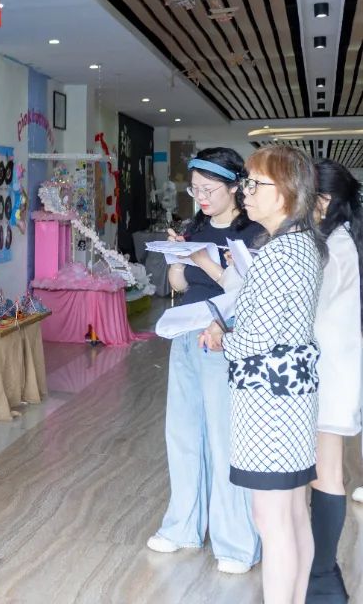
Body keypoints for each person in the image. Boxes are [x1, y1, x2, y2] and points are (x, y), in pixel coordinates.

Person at [200, 145, 325, 604]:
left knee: (272, 519)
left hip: (268, 400)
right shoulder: (303, 244)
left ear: (287, 192)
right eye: (246, 183)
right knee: (292, 514)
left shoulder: (279, 253)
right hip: (291, 395)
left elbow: (256, 339)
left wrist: (222, 339)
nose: (245, 193)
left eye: (255, 184)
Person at [148, 148, 263, 574]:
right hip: (186, 334)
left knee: (224, 440)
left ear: (235, 187)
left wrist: (204, 262)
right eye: (195, 189)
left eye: (209, 189)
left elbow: (253, 294)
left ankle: (236, 544)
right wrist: (178, 260)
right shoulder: (195, 227)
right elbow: (180, 285)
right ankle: (183, 527)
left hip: (225, 342)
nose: (200, 197)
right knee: (181, 434)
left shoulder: (253, 233)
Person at [306, 160, 363, 602]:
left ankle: (323, 575)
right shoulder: (341, 240)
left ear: (323, 201)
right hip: (332, 371)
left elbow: (307, 308)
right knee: (323, 473)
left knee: (325, 474)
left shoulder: (331, 247)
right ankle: (320, 570)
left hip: (327, 375)